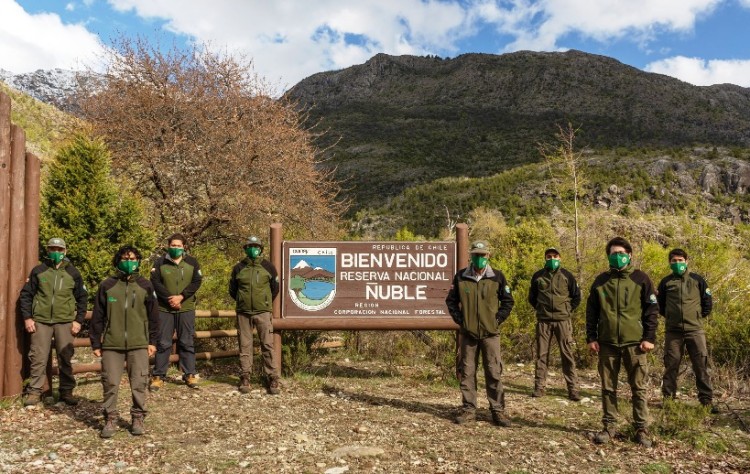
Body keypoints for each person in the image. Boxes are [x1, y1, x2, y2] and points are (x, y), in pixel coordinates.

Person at [586, 237, 659, 447]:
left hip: (635, 344)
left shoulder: (641, 279)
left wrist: (649, 338)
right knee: (608, 387)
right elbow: (591, 311)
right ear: (608, 256)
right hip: (607, 343)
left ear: (630, 255)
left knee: (638, 387)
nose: (617, 257)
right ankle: (609, 427)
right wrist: (591, 337)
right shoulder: (600, 281)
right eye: (613, 253)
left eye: (621, 253)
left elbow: (651, 311)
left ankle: (641, 428)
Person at [89, 245, 159, 438]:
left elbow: (154, 317)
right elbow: (98, 316)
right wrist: (96, 343)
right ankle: (110, 418)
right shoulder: (107, 286)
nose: (130, 262)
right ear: (118, 260)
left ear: (138, 261)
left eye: (133, 259)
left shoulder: (146, 285)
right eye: (126, 259)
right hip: (112, 343)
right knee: (110, 382)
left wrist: (153, 341)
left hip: (139, 342)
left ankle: (138, 416)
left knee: (139, 382)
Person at [446, 240, 515, 427]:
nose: (479, 258)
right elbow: (451, 301)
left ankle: (498, 411)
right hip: (468, 334)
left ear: (488, 256)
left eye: (482, 255)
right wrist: (461, 321)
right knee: (467, 372)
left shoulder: (497, 277)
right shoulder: (461, 277)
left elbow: (508, 301)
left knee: (494, 372)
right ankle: (469, 410)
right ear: (471, 256)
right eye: (476, 255)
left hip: (490, 334)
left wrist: (497, 320)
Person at [19, 237, 87, 407]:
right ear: (48, 251)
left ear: (65, 251)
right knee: (38, 357)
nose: (56, 252)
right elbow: (26, 295)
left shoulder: (73, 273)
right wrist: (28, 317)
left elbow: (82, 298)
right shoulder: (39, 271)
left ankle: (66, 392)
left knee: (65, 356)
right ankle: (35, 392)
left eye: (59, 249)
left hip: (65, 321)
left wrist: (78, 320)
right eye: (52, 249)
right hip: (41, 321)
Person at [657, 248, 717, 413]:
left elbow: (707, 303)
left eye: (680, 260)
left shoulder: (697, 280)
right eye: (674, 261)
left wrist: (696, 317)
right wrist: (670, 316)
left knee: (701, 366)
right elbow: (660, 306)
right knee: (671, 365)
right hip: (673, 332)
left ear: (686, 261)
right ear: (670, 263)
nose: (678, 263)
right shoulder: (665, 282)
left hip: (695, 331)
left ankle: (706, 402)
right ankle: (668, 401)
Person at [149, 233, 203, 391]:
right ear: (168, 246)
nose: (176, 248)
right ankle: (158, 375)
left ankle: (189, 374)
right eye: (173, 245)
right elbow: (155, 282)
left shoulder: (192, 262)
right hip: (164, 309)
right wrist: (169, 299)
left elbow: (196, 281)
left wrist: (181, 297)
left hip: (186, 308)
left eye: (179, 246)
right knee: (163, 342)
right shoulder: (159, 262)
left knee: (187, 341)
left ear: (184, 247)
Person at [528, 247, 582, 401]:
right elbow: (532, 298)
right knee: (541, 355)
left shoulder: (567, 275)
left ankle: (573, 389)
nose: (552, 259)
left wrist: (567, 309)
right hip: (543, 321)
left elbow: (576, 297)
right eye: (549, 256)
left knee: (567, 355)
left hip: (563, 321)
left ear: (560, 258)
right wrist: (541, 309)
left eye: (555, 256)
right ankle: (539, 387)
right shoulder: (538, 276)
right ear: (545, 258)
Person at [229, 236, 281, 395]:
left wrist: (264, 302)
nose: (253, 248)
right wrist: (242, 301)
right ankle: (245, 376)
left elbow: (275, 289)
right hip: (243, 313)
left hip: (263, 312)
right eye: (250, 246)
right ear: (245, 249)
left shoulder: (268, 267)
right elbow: (232, 290)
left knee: (267, 344)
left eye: (256, 246)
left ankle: (273, 377)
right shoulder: (238, 268)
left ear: (260, 249)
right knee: (245, 345)